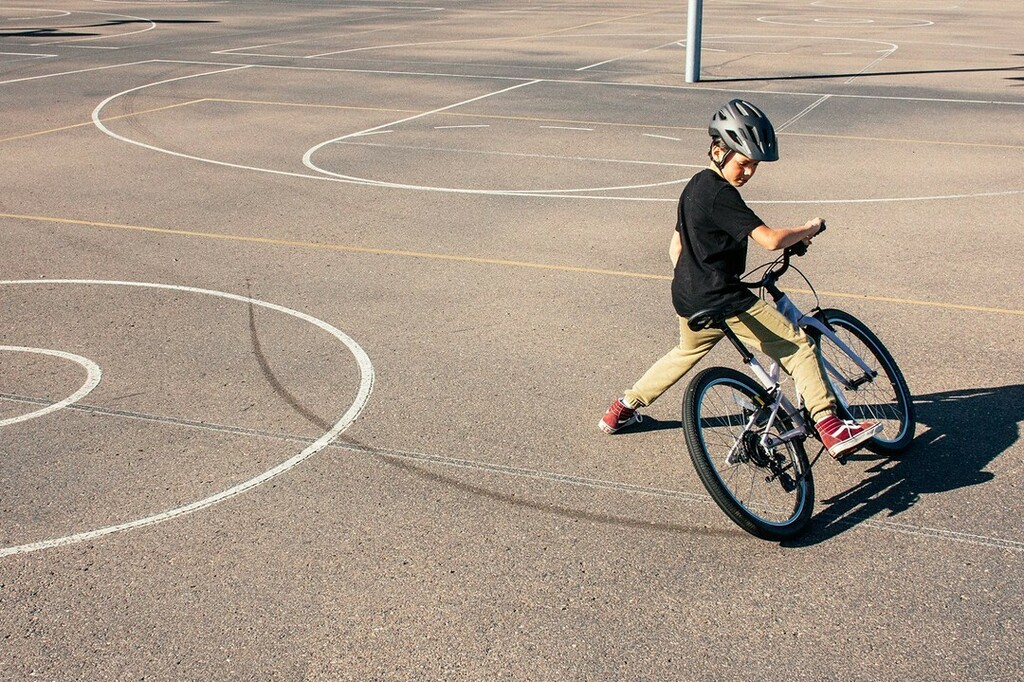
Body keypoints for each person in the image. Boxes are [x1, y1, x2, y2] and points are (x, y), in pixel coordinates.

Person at [598, 99, 881, 458]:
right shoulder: (721, 194)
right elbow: (770, 240)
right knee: (798, 347)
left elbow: (676, 247)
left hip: (688, 295)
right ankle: (830, 425)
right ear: (719, 151)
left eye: (754, 166)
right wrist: (809, 228)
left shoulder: (694, 187)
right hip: (722, 297)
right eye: (743, 162)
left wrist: (697, 275)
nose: (748, 172)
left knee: (686, 351)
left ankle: (622, 408)